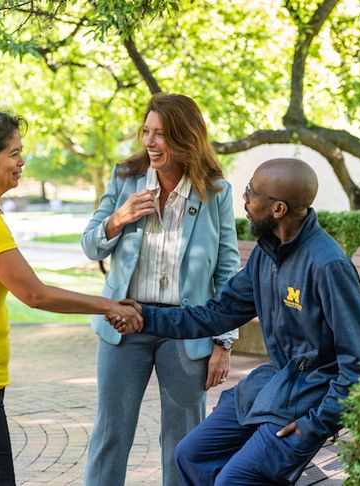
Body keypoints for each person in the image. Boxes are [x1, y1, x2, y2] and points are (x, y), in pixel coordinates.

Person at [113, 158, 360, 485]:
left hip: (308, 399)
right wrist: (144, 317)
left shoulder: (327, 265)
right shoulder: (268, 254)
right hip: (270, 385)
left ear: (278, 209)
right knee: (190, 454)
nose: (245, 198)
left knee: (233, 480)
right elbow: (215, 314)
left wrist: (317, 423)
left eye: (252, 192)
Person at [0, 110, 142, 486]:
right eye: (12, 153)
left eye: (20, 151)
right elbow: (34, 294)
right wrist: (108, 305)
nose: (21, 161)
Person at [81, 93, 240, 486]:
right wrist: (118, 219)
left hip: (185, 328)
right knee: (111, 433)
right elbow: (90, 243)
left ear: (186, 138)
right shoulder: (125, 179)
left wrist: (224, 341)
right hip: (125, 321)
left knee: (183, 440)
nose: (150, 143)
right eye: (146, 132)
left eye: (161, 135)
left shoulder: (215, 192)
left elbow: (227, 268)